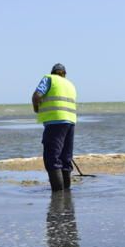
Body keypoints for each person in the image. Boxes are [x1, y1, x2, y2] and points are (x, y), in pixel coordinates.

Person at [31, 63, 77, 192]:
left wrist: (36, 109)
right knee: (65, 158)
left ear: (53, 72)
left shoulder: (49, 78)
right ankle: (67, 193)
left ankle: (58, 194)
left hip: (54, 122)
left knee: (52, 158)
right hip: (70, 122)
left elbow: (36, 96)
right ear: (64, 74)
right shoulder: (70, 84)